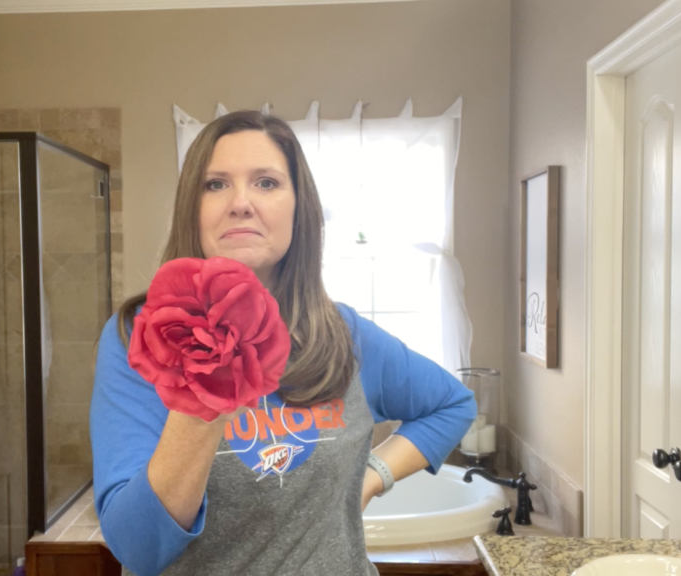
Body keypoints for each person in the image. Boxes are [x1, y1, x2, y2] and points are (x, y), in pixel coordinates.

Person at [90, 110, 476, 576]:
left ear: (300, 207)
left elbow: (453, 405)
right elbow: (137, 549)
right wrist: (203, 385)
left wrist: (372, 477)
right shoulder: (139, 337)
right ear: (192, 207)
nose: (240, 203)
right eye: (215, 184)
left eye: (267, 183)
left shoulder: (343, 334)